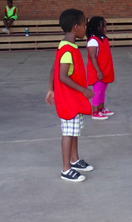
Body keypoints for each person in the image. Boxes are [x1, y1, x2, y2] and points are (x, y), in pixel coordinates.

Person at [46, 9, 95, 182]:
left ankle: (74, 160)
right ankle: (66, 169)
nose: (85, 28)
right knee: (68, 133)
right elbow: (62, 76)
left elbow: (53, 69)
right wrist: (84, 90)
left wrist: (51, 89)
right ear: (76, 27)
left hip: (72, 100)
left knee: (74, 131)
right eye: (84, 25)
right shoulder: (68, 51)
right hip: (69, 100)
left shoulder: (65, 46)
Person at [86, 16, 115, 120]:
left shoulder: (103, 39)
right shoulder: (93, 41)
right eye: (104, 26)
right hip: (97, 71)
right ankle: (95, 112)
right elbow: (93, 57)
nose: (105, 28)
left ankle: (101, 108)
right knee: (97, 91)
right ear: (98, 27)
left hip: (105, 69)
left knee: (102, 91)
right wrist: (98, 71)